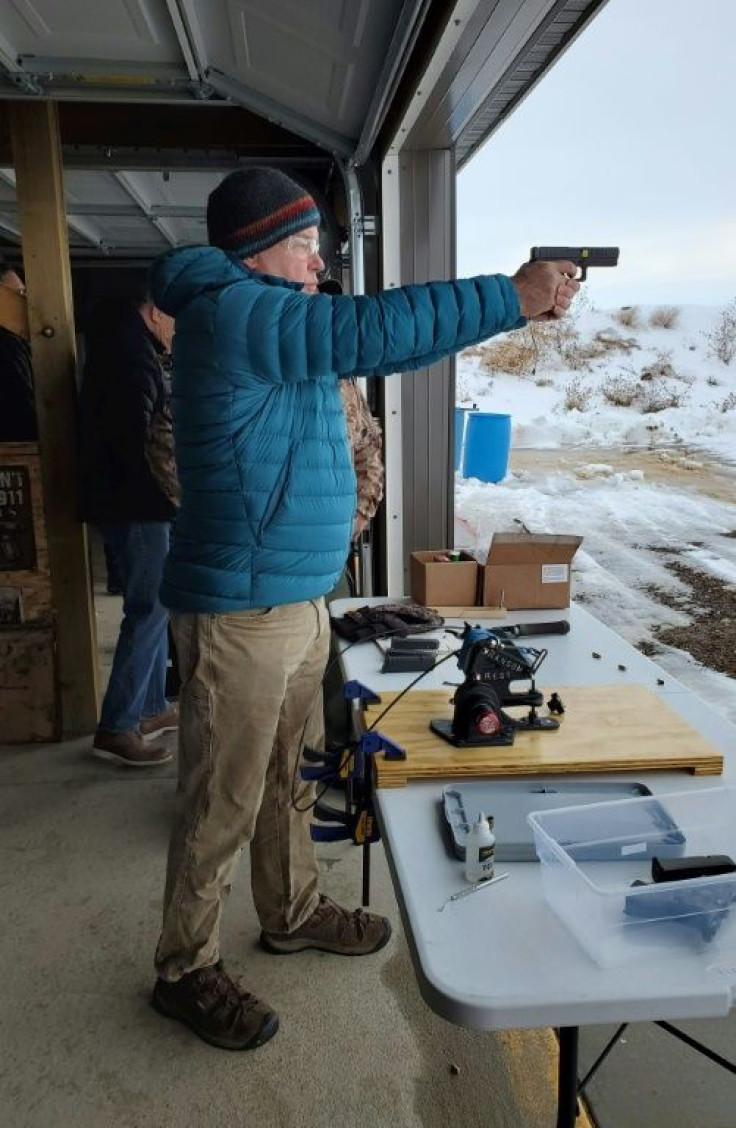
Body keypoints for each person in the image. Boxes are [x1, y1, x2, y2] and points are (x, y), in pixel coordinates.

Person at [148, 166, 579, 1052]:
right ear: (256, 248)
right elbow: (373, 329)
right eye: (306, 247)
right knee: (219, 801)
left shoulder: (266, 319)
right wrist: (511, 293)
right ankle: (183, 968)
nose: (317, 267)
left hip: (297, 598)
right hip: (243, 609)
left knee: (290, 783)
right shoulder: (234, 312)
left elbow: (368, 349)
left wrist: (509, 311)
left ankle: (292, 909)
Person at [78, 294, 179, 767]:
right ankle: (118, 725)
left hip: (131, 502)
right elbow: (135, 443)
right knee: (149, 609)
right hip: (136, 505)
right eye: (176, 322)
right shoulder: (129, 355)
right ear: (156, 312)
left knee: (157, 607)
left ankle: (151, 706)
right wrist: (169, 497)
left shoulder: (129, 347)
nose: (178, 335)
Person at [0, 263, 36, 443]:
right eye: (20, 293)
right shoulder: (6, 346)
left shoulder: (16, 342)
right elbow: (20, 405)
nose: (26, 299)